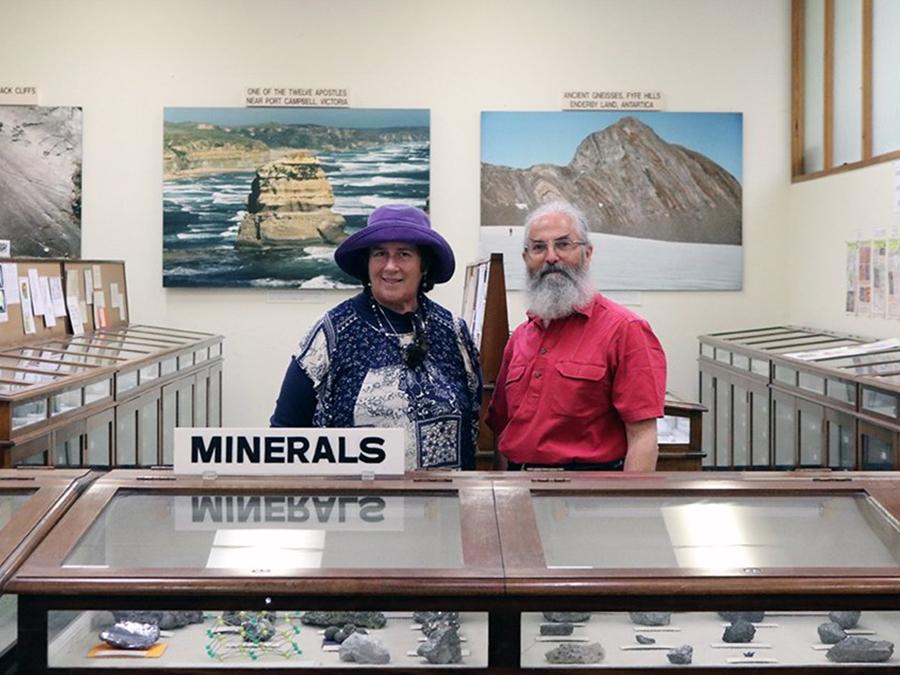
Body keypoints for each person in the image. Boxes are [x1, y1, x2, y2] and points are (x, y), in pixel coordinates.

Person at [270, 204, 482, 470]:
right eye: (380, 254)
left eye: (404, 254)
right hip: (359, 506)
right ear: (367, 264)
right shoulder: (332, 333)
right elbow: (285, 430)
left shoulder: (453, 332)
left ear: (423, 265)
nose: (390, 266)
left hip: (443, 505)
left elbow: (474, 420)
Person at [488, 200, 666, 472]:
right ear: (526, 259)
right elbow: (503, 430)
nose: (550, 257)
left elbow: (643, 438)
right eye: (538, 247)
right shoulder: (520, 338)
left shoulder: (626, 330)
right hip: (518, 489)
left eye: (563, 244)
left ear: (588, 253)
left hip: (589, 496)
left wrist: (629, 508)